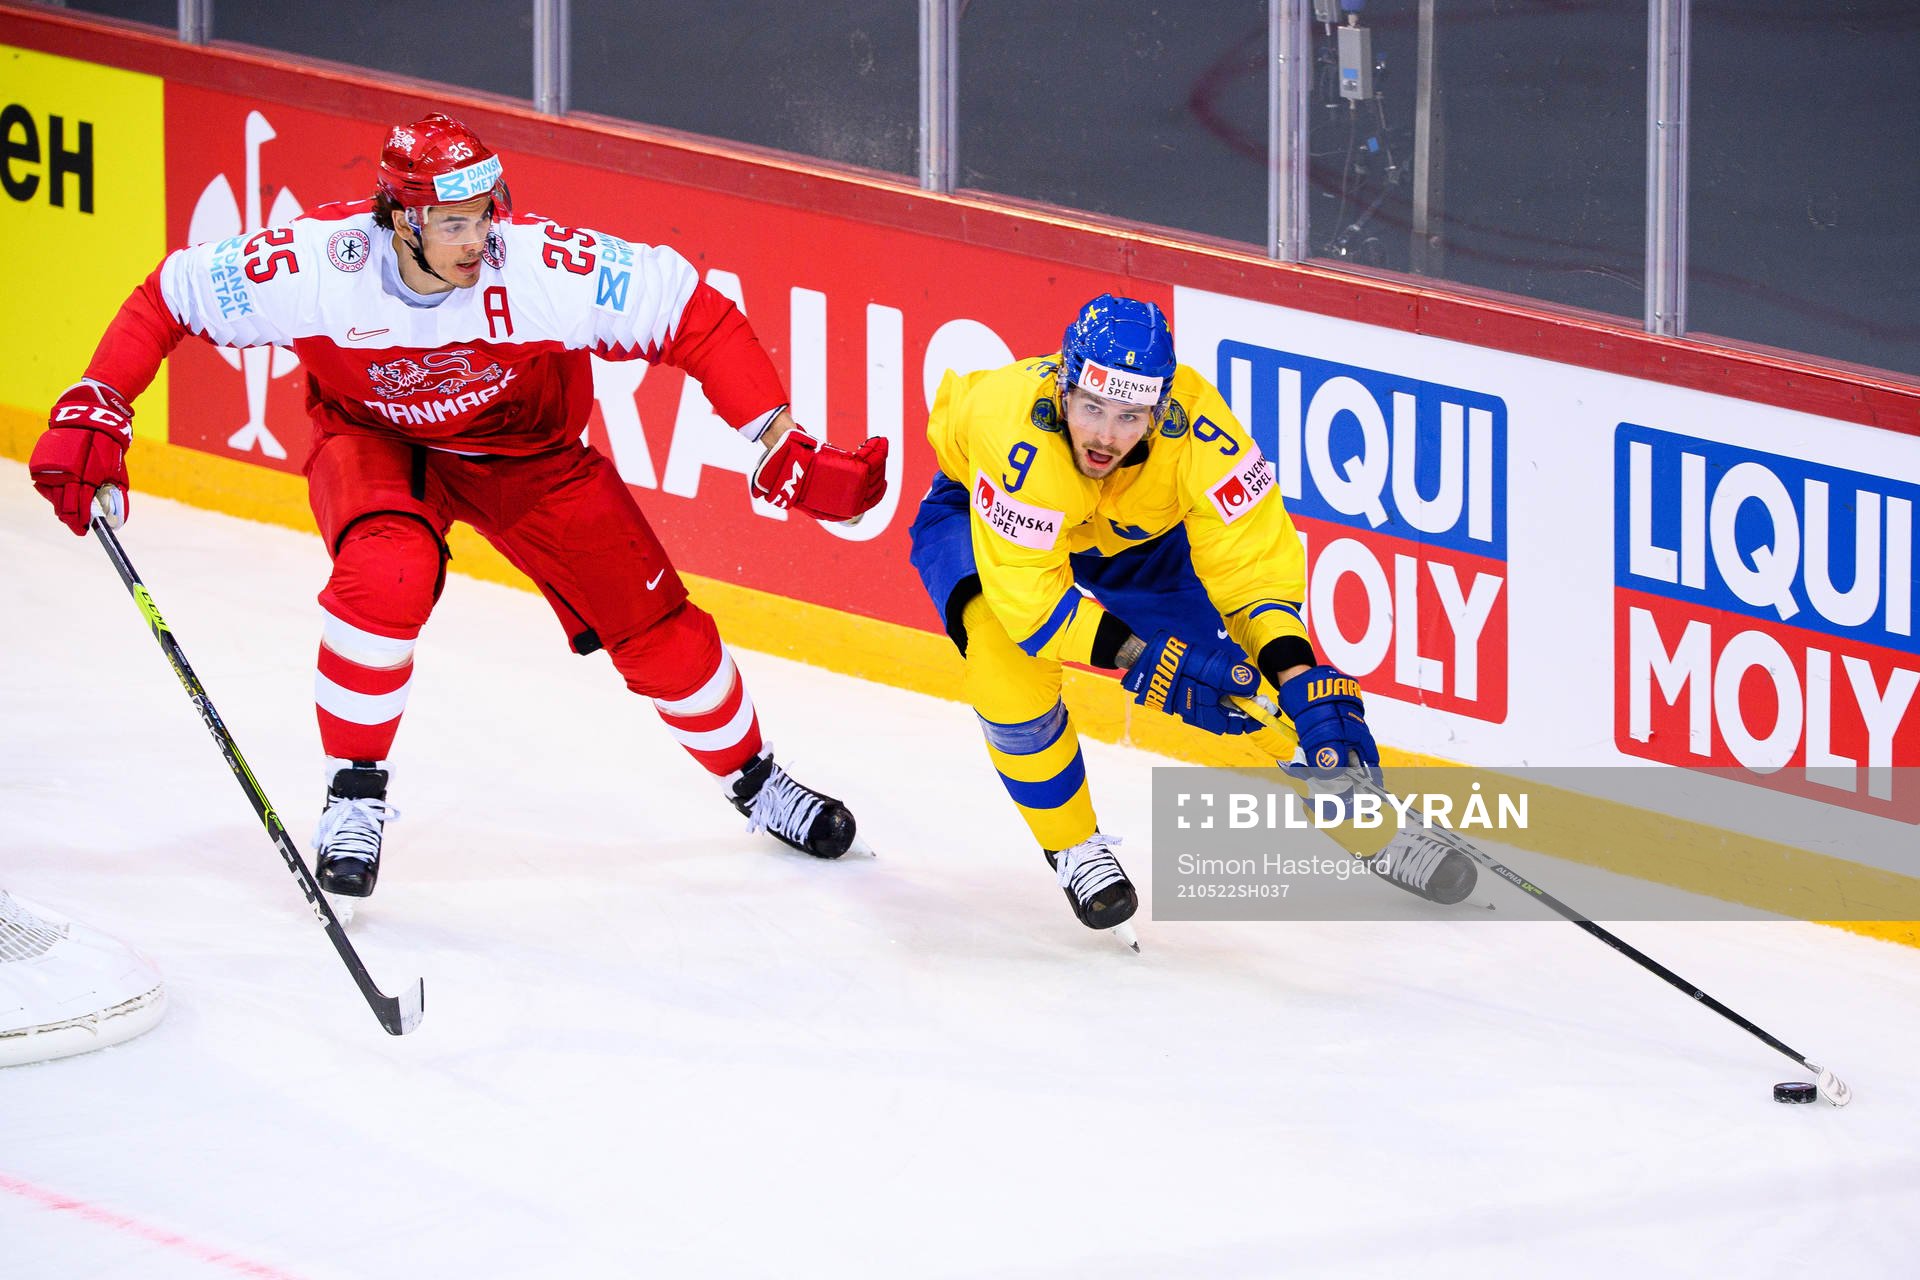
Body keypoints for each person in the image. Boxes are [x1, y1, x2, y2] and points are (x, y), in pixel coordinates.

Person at [29, 112, 889, 901]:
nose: (479, 238)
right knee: (387, 575)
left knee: (658, 626)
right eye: (454, 222)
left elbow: (695, 316)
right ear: (401, 221)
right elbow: (169, 295)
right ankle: (354, 793)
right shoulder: (318, 267)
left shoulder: (539, 266)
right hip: (376, 444)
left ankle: (756, 781)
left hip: (530, 456)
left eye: (486, 213)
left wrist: (780, 440)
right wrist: (96, 401)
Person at [908, 295, 1475, 942]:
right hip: (984, 520)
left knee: (1244, 679)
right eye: (1091, 408)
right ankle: (1072, 846)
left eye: (1129, 417)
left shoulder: (1202, 431)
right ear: (1063, 388)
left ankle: (1370, 821)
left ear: (1160, 410)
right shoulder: (1014, 433)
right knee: (1002, 663)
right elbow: (1031, 606)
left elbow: (1252, 573)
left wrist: (1295, 675)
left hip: (1133, 540)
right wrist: (1146, 658)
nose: (1104, 436)